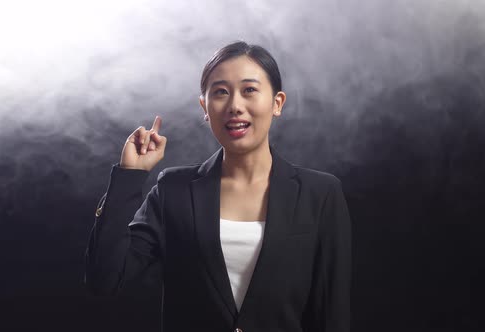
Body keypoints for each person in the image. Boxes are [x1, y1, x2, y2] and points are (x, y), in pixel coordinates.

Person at [84, 41, 352, 332]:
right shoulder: (174, 191)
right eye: (221, 92)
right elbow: (104, 280)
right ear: (205, 107)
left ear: (277, 103)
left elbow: (331, 313)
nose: (235, 106)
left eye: (249, 90)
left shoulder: (320, 193)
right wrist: (129, 176)